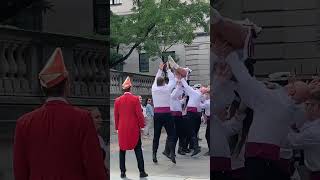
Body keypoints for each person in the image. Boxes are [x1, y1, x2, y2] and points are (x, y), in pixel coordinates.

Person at [214, 43, 311, 180]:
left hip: (258, 160)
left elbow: (246, 80)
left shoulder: (271, 98)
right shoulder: (294, 110)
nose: (287, 84)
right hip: (274, 162)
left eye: (291, 84)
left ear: (291, 90)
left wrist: (231, 56)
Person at [13, 48, 107, 180]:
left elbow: (20, 171)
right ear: (67, 85)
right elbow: (94, 166)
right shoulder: (82, 118)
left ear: (43, 88)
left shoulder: (23, 122)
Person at [114, 76, 148, 178]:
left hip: (122, 129)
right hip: (134, 129)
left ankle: (122, 172)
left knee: (122, 150)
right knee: (138, 150)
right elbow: (139, 114)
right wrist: (142, 126)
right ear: (130, 88)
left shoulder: (117, 100)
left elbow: (116, 116)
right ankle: (141, 172)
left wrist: (117, 128)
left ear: (123, 89)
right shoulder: (135, 99)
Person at [283, 89, 320, 180]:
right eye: (306, 104)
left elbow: (290, 142)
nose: (306, 107)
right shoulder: (311, 124)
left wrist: (282, 121)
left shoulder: (314, 131)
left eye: (310, 104)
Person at [151, 62, 177, 164]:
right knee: (171, 134)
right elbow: (173, 80)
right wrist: (168, 70)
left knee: (156, 136)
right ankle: (172, 153)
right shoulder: (167, 88)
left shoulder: (154, 88)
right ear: (164, 83)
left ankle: (154, 154)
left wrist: (160, 70)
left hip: (157, 114)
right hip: (167, 114)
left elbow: (155, 79)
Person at [179, 77, 208, 156]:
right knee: (193, 131)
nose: (202, 88)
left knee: (190, 130)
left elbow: (186, 86)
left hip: (191, 113)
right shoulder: (201, 95)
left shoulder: (194, 92)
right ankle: (193, 146)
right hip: (196, 114)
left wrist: (181, 78)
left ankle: (195, 147)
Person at [86, 107, 109, 174]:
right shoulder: (85, 139)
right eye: (97, 117)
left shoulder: (99, 138)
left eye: (100, 117)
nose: (101, 120)